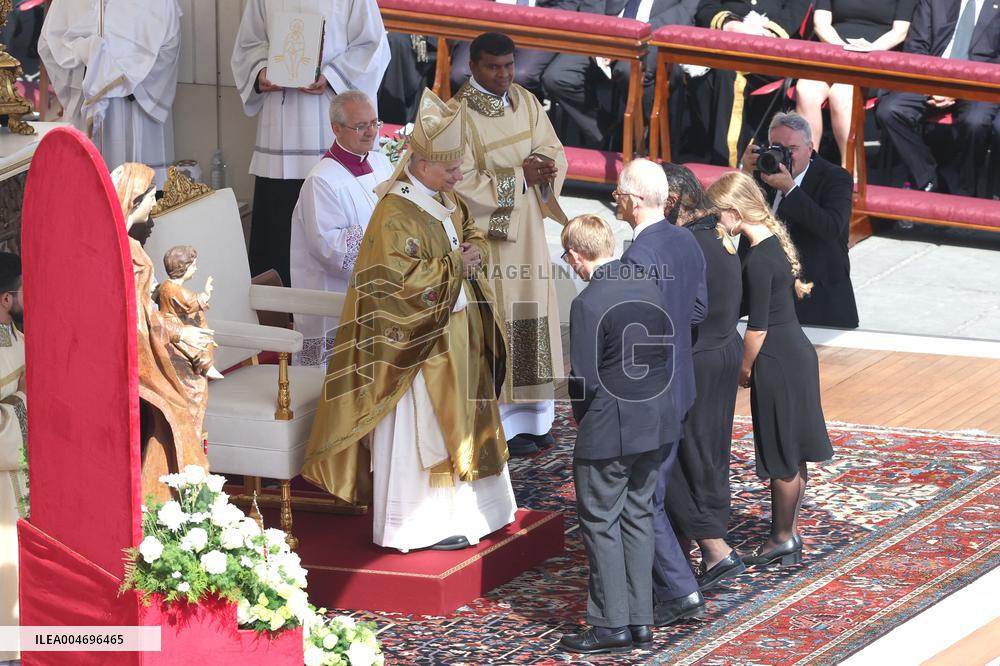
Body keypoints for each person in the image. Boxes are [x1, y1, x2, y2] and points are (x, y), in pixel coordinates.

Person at [301, 89, 516, 553]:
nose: (458, 176)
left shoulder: (442, 195)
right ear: (419, 163)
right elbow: (398, 285)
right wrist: (456, 265)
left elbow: (465, 229)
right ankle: (420, 525)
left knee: (467, 418)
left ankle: (482, 510)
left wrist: (472, 250)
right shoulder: (395, 212)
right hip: (416, 349)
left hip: (455, 332)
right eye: (450, 168)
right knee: (428, 431)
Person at [558, 215, 674, 655]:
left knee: (601, 521)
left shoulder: (588, 302)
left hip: (610, 427)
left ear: (576, 257)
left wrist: (583, 420)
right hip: (655, 421)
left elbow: (582, 378)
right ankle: (640, 619)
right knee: (638, 516)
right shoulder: (650, 285)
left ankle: (610, 624)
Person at [448, 32, 568, 457]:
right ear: (473, 67)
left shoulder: (526, 101)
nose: (504, 75)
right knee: (502, 322)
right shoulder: (456, 116)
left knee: (531, 317)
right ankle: (502, 425)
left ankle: (536, 418)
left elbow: (552, 147)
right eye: (493, 67)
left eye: (509, 65)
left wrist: (547, 167)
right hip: (493, 240)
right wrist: (520, 178)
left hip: (530, 233)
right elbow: (460, 182)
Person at [707, 171, 833, 567]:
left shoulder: (760, 259)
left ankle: (781, 538)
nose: (716, 223)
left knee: (781, 451)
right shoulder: (770, 244)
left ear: (732, 211)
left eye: (717, 216)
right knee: (793, 451)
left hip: (776, 359)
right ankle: (787, 532)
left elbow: (757, 329)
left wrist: (743, 370)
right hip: (795, 354)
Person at [231, 0, 390, 287]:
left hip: (329, 122)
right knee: (277, 232)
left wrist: (331, 77)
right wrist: (261, 72)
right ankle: (276, 320)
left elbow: (374, 45)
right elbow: (249, 42)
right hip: (280, 135)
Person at [618, 159, 709, 626]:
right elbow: (697, 309)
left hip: (649, 394)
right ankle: (665, 585)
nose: (616, 201)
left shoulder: (637, 257)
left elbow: (632, 332)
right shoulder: (686, 240)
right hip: (680, 385)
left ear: (634, 202)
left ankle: (679, 589)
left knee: (641, 496)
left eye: (619, 195)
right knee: (649, 490)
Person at [661, 164, 745, 591]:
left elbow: (683, 309)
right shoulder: (717, 233)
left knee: (670, 455)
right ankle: (708, 542)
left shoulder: (687, 244)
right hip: (723, 349)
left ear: (672, 201)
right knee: (709, 454)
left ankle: (714, 547)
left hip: (700, 356)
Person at [111, 163, 214, 504]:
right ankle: (168, 501)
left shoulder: (132, 248)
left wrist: (179, 333)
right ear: (134, 200)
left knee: (178, 412)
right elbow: (138, 317)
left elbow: (149, 313)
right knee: (175, 413)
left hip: (152, 344)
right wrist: (180, 335)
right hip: (136, 354)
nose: (155, 205)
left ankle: (168, 500)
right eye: (150, 197)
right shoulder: (123, 251)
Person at [289, 91, 394, 367]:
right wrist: (387, 234)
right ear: (336, 128)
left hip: (378, 287)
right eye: (360, 126)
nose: (371, 132)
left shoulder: (381, 163)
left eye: (374, 123)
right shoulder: (322, 180)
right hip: (335, 296)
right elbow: (331, 249)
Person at [39, 0, 181, 184]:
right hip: (86, 107)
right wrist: (86, 55)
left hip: (134, 109)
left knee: (140, 197)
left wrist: (124, 75)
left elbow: (169, 46)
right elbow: (50, 45)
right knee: (88, 192)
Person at [741, 112, 859, 329]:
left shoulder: (836, 178)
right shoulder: (763, 172)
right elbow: (739, 223)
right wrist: (746, 174)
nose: (784, 155)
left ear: (810, 148)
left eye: (792, 149)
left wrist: (790, 189)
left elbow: (830, 228)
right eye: (776, 147)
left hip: (818, 303)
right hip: (767, 301)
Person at [875, 0, 1000, 196]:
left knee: (976, 123)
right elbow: (916, 46)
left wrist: (958, 89)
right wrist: (932, 87)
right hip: (930, 78)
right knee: (890, 111)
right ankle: (929, 177)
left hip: (978, 84)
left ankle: (967, 190)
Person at [542, 0, 699, 150]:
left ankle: (641, 139)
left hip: (655, 37)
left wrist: (632, 37)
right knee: (558, 76)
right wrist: (597, 32)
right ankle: (608, 130)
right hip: (607, 32)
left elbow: (685, 11)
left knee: (629, 71)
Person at [688, 0, 813, 166]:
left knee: (729, 73)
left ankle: (725, 164)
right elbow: (706, 7)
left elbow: (793, 13)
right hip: (725, 43)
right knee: (703, 76)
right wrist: (729, 24)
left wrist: (762, 34)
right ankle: (698, 154)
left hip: (770, 52)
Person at [795, 0, 916, 165]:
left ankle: (851, 171)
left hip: (877, 59)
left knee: (841, 93)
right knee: (805, 90)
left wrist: (868, 50)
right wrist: (843, 48)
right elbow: (821, 24)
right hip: (834, 54)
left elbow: (900, 32)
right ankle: (806, 169)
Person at [450, 0, 578, 98]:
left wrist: (532, 20)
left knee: (521, 76)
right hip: (487, 20)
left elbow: (567, 5)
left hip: (539, 27)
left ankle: (516, 124)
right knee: (461, 73)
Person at [0, 253, 26, 665]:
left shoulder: (19, 337)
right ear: (5, 299)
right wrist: (25, 398)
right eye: (23, 290)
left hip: (28, 477)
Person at [159, 245, 224, 380]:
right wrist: (206, 293)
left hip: (178, 321)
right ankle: (205, 365)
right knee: (200, 334)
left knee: (199, 319)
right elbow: (190, 303)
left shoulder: (170, 286)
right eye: (194, 265)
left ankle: (204, 363)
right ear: (183, 267)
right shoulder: (171, 288)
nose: (196, 268)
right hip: (173, 326)